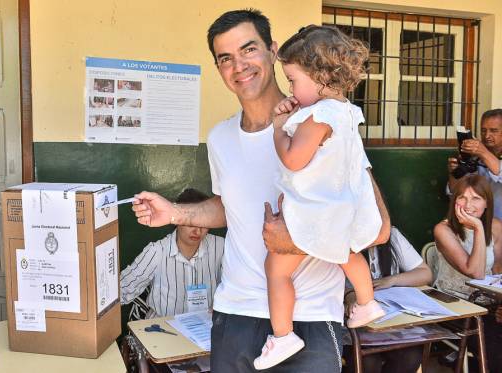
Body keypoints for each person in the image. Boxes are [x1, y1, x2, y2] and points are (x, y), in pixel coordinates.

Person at [131, 9, 390, 373]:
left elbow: (375, 227)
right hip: (235, 313)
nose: (239, 66)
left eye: (248, 49)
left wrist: (296, 241)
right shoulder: (220, 138)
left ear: (272, 50)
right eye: (226, 59)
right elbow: (230, 207)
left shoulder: (324, 124)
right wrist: (175, 213)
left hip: (311, 315)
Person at [251, 25, 385, 370]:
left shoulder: (319, 115)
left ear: (321, 76)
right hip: (343, 209)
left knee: (276, 269)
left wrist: (279, 127)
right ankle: (367, 302)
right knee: (346, 253)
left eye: (294, 80)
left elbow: (294, 159)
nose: (291, 87)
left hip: (316, 212)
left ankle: (283, 336)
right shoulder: (346, 111)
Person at [120, 188, 224, 318]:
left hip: (204, 329)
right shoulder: (157, 251)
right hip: (161, 329)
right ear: (177, 221)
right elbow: (123, 289)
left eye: (203, 223)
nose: (197, 231)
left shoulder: (221, 247)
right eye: (191, 223)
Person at [434, 174, 502, 372]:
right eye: (462, 197)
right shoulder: (443, 229)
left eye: (476, 198)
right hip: (456, 306)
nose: (468, 205)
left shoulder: (497, 227)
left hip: (489, 302)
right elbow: (476, 272)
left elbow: (498, 271)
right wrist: (479, 228)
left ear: (487, 203)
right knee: (496, 353)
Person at [342, 227, 433, 373]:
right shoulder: (339, 236)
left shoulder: (391, 234)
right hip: (354, 328)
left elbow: (425, 273)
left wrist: (393, 279)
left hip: (392, 326)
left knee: (411, 356)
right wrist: (350, 296)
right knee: (368, 362)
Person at [447, 109, 502, 218]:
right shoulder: (474, 156)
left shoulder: (481, 152)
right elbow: (455, 193)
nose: (487, 136)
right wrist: (454, 173)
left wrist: (483, 153)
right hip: (478, 223)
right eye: (483, 130)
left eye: (494, 131)